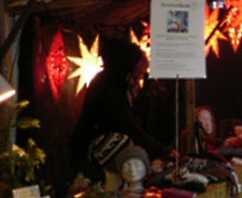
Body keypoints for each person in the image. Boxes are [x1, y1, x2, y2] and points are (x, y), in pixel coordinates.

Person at [69, 37, 173, 184]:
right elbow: (128, 126)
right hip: (97, 155)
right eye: (138, 61)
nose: (143, 65)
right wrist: (162, 150)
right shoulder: (108, 87)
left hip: (109, 152)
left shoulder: (122, 83)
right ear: (126, 63)